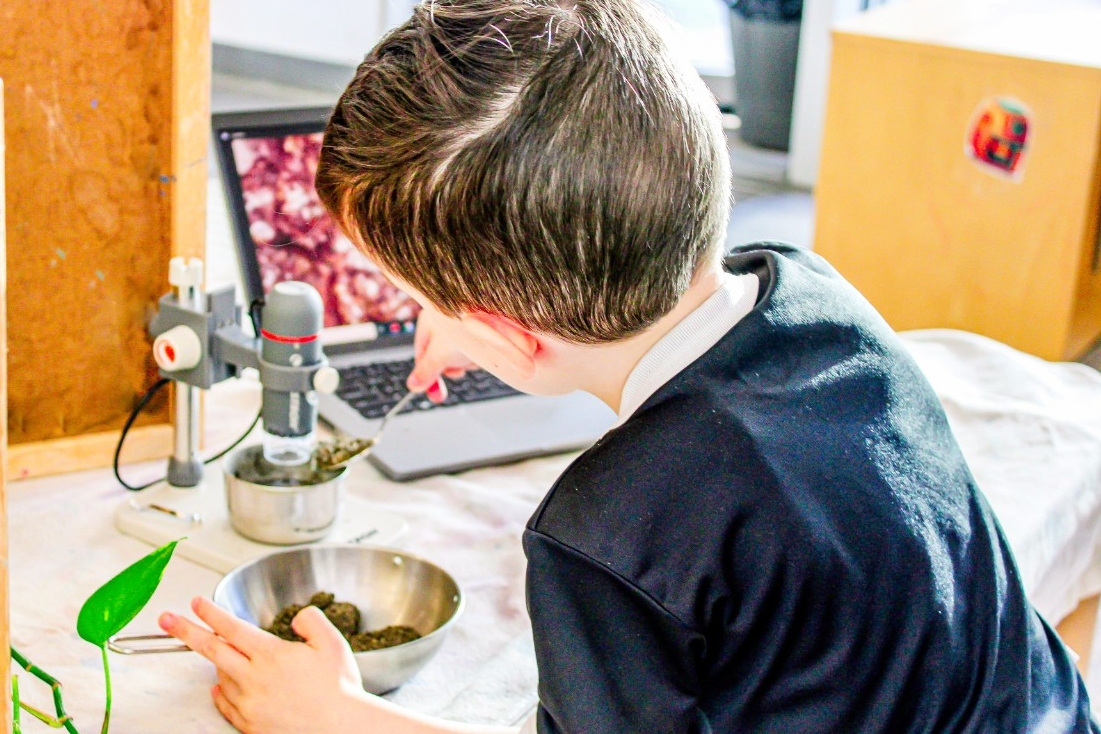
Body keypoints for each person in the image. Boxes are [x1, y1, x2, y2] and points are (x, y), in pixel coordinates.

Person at [158, 0, 1100, 731]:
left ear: (515, 338)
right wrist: (471, 322)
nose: (420, 328)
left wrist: (340, 719)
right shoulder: (813, 296)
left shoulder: (604, 538)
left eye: (423, 305)